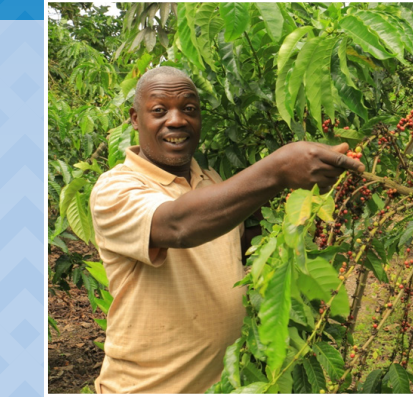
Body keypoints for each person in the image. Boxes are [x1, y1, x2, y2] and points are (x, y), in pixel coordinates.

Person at [90, 66, 365, 394]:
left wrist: (309, 216)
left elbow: (234, 247)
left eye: (189, 109)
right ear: (135, 119)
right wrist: (279, 168)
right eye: (159, 110)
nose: (177, 120)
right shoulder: (115, 188)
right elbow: (179, 226)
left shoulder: (211, 183)